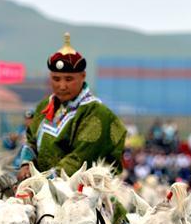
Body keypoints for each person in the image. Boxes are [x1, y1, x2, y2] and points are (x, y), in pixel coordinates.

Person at [17, 33, 126, 180]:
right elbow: (31, 139)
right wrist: (25, 164)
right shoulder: (45, 106)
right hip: (40, 186)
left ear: (83, 76)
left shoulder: (97, 114)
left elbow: (80, 159)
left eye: (69, 79)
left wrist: (43, 180)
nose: (62, 86)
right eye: (56, 79)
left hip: (84, 191)